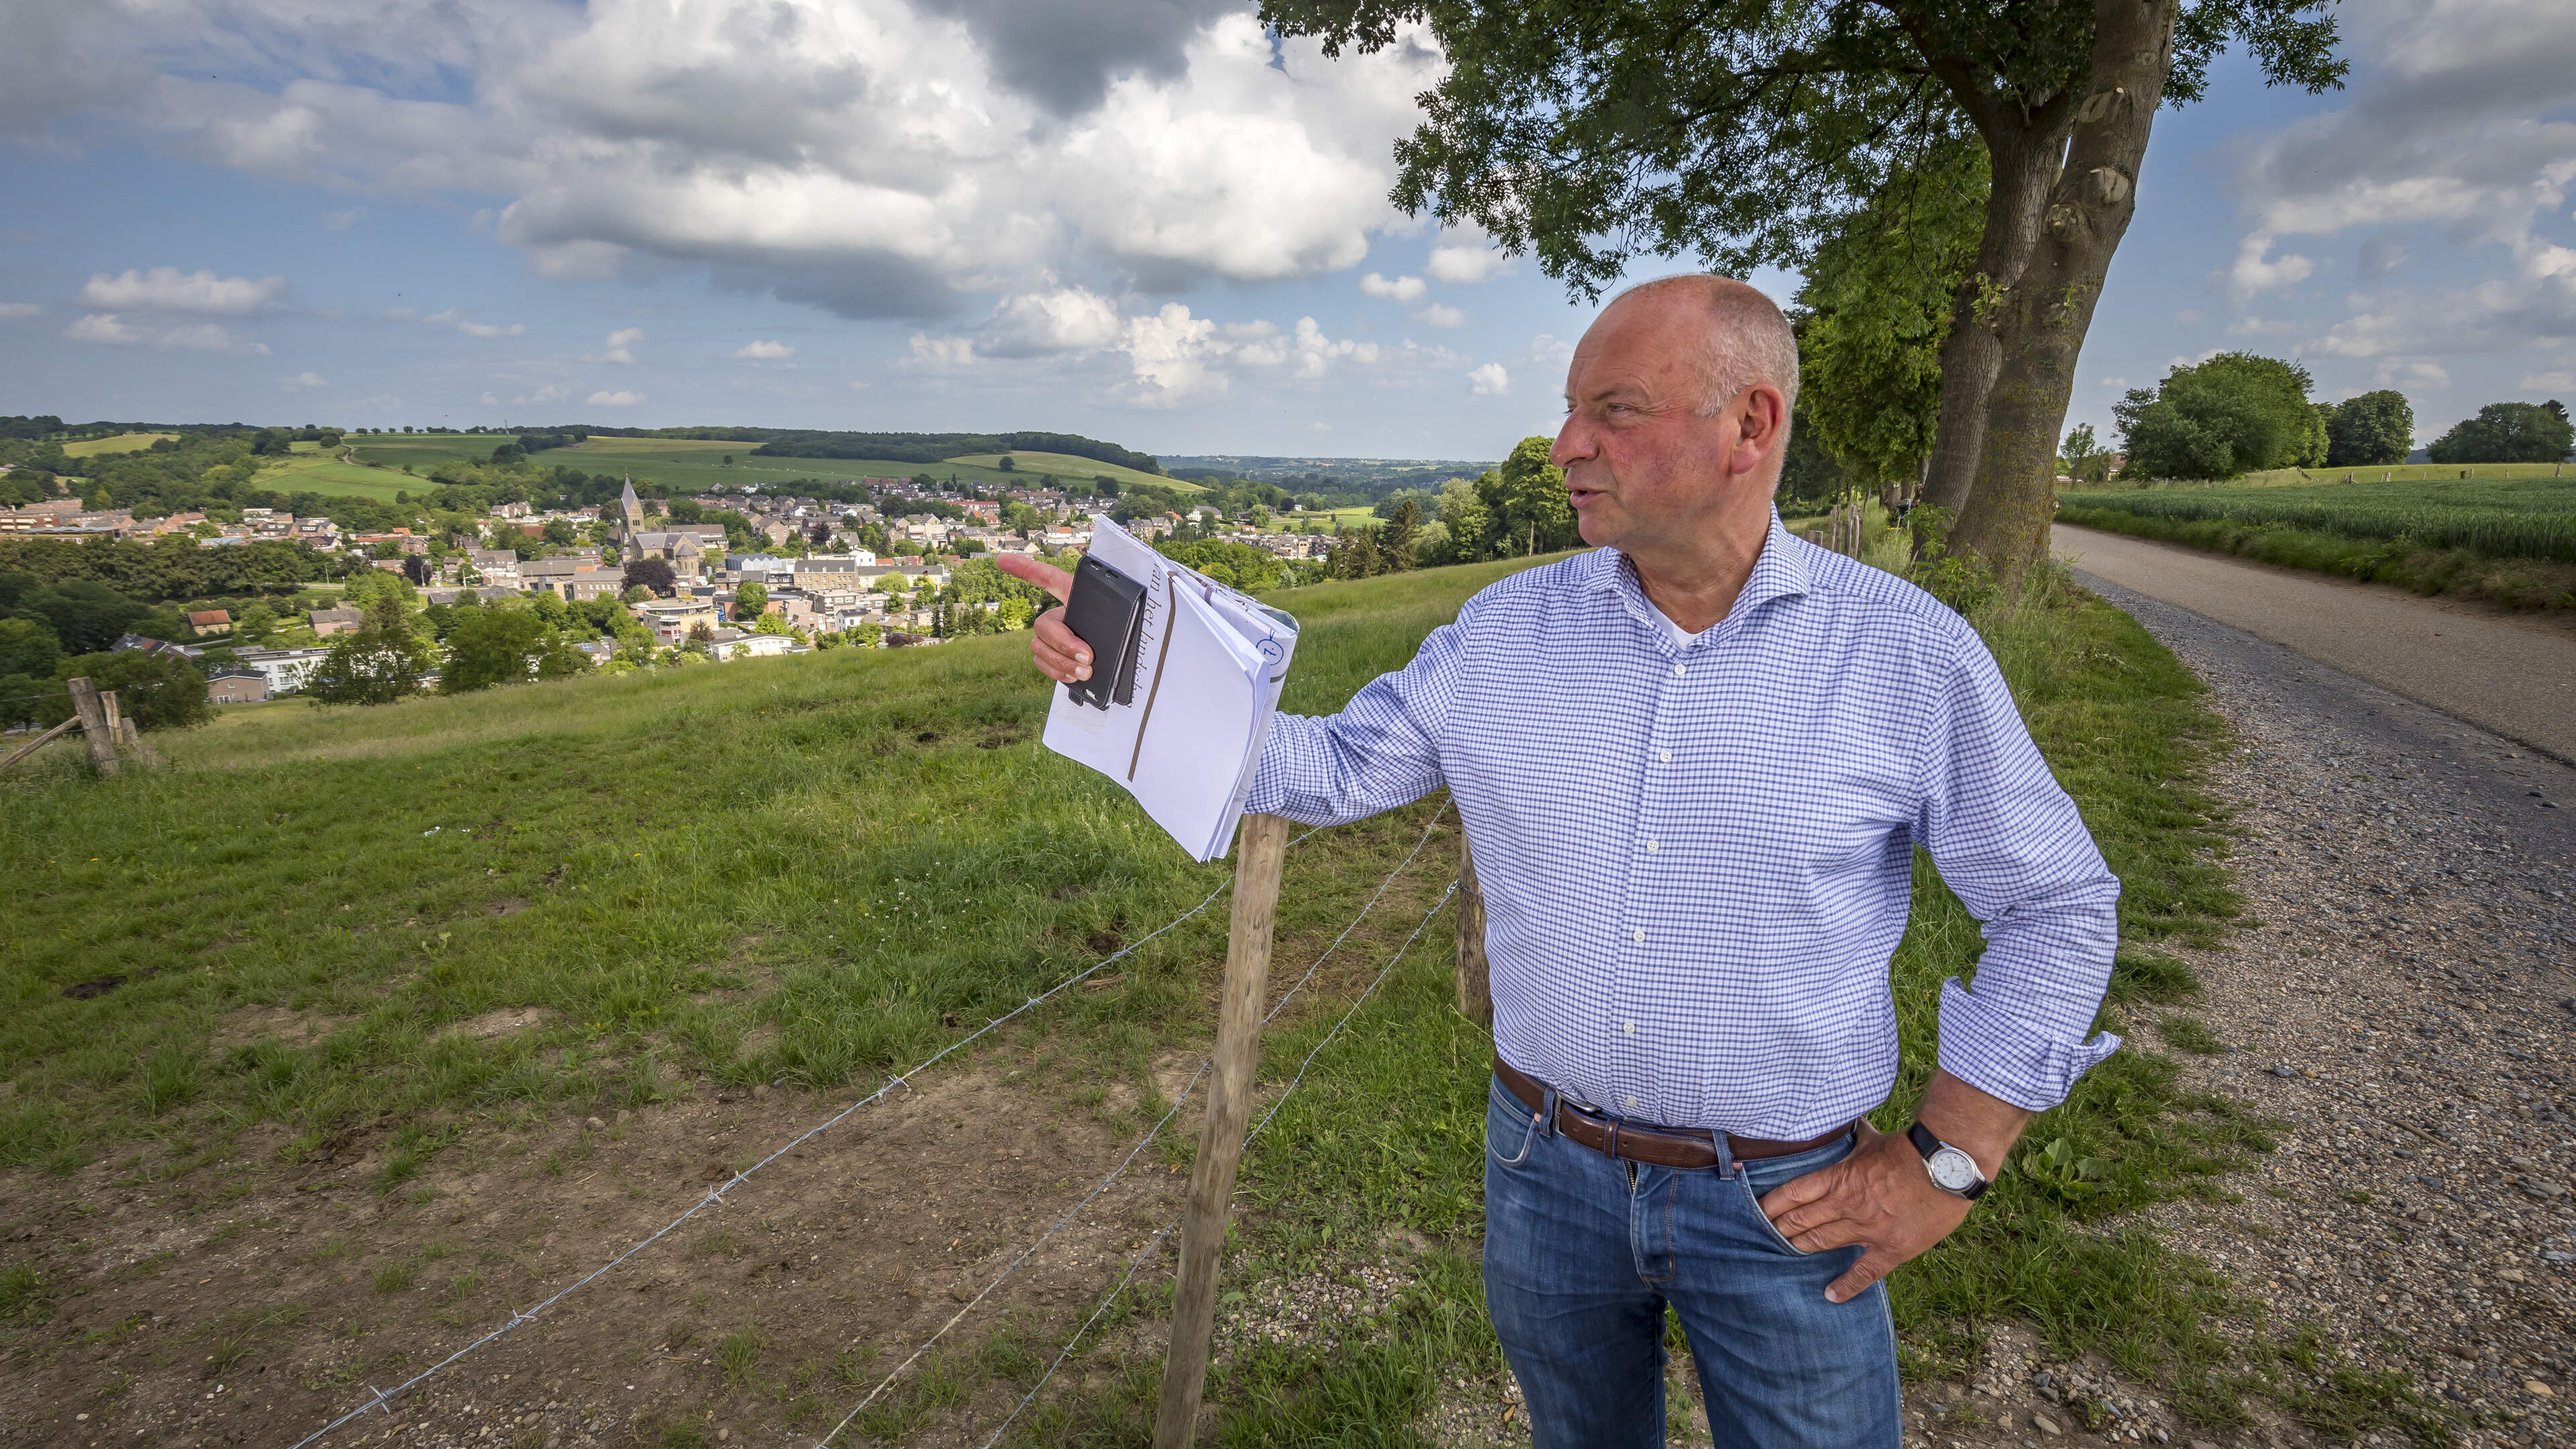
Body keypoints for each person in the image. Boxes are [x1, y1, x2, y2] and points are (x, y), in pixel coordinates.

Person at [996, 274, 2121, 1448]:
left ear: (1752, 427)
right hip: (1544, 1172)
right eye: (1569, 408)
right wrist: (1122, 670)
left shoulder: (1905, 657)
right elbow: (1328, 769)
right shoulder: (1500, 633)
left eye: (1615, 411)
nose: (1566, 445)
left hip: (1786, 1202)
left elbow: (2055, 903)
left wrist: (1951, 1155)